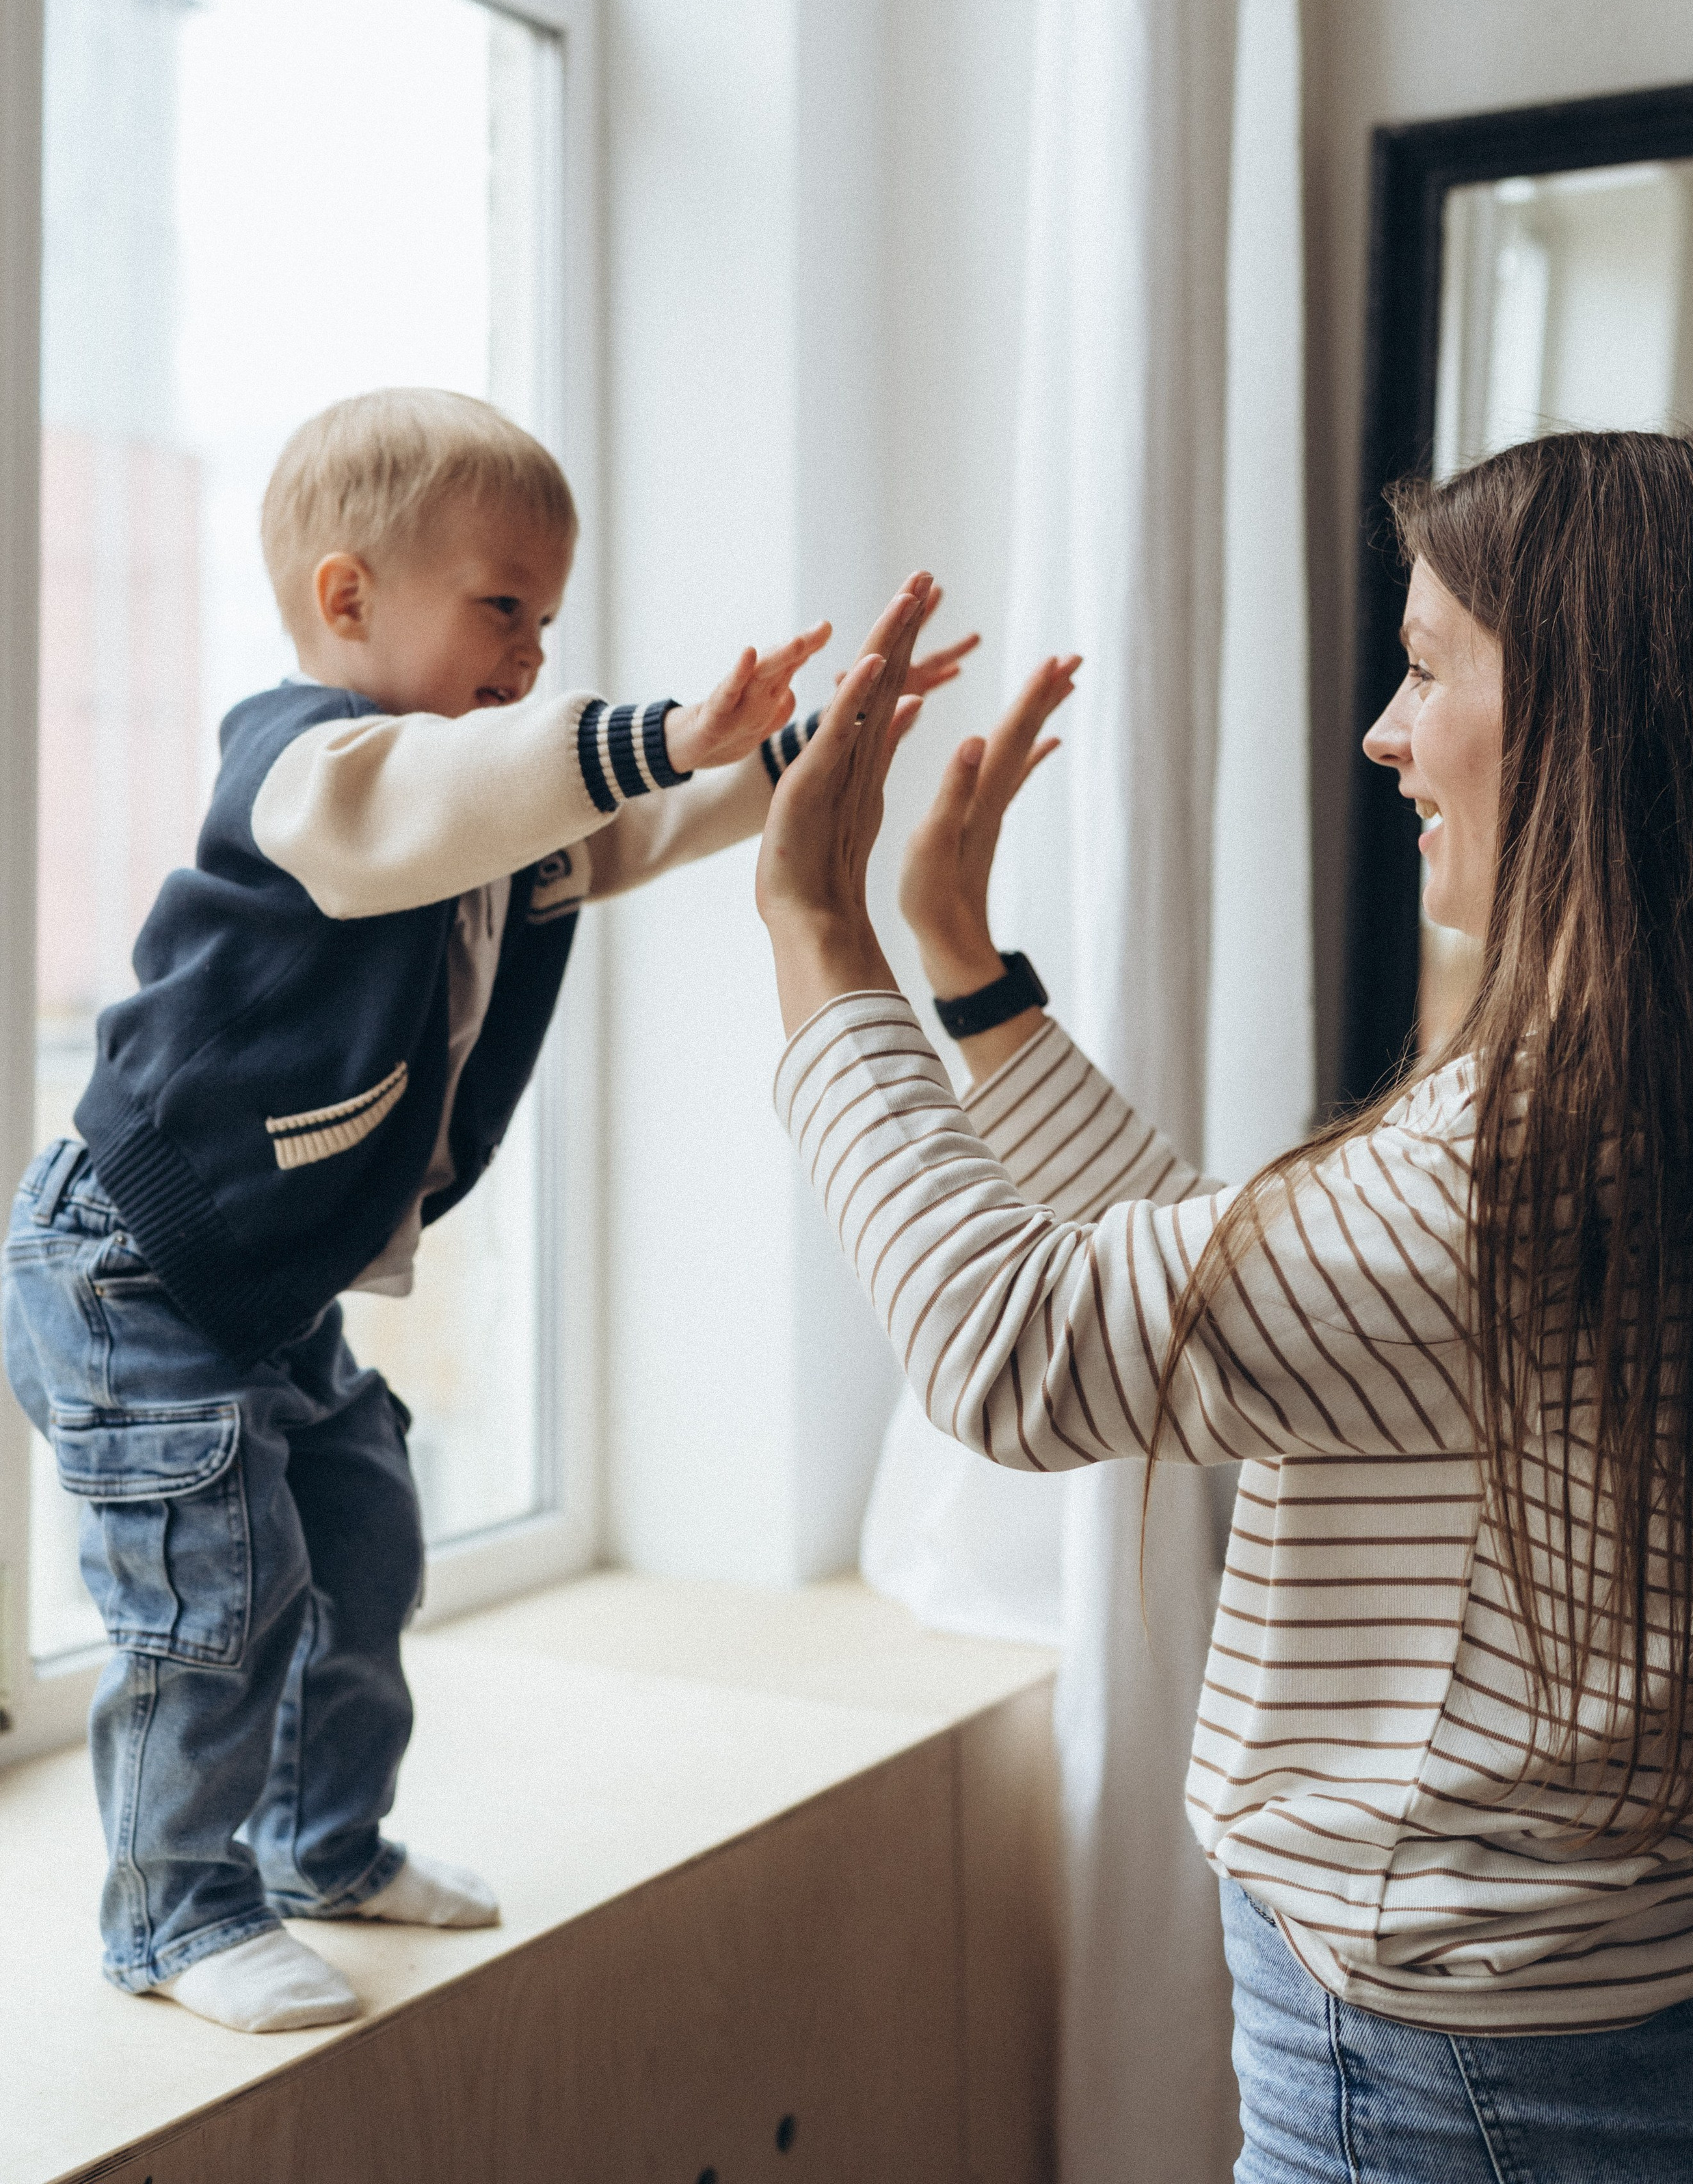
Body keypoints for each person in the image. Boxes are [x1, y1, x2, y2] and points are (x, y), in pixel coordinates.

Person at [754, 430, 1693, 2180]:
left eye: (1428, 666)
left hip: (1449, 2077)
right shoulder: (1660, 1110)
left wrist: (815, 936)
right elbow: (1245, 1298)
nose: (1379, 729)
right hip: (1584, 2032)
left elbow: (1012, 1350)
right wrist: (975, 989)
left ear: (1593, 727)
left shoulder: (1515, 1158)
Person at [2, 386, 973, 2037]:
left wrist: (804, 750)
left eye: (547, 620)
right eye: (502, 610)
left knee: (364, 1544)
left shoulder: (486, 814)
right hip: (136, 1269)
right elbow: (440, 802)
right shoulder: (305, 771)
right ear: (348, 598)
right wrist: (656, 727)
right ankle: (173, 1910)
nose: (529, 656)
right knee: (210, 1594)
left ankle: (321, 1844)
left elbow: (619, 818)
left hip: (265, 1281)